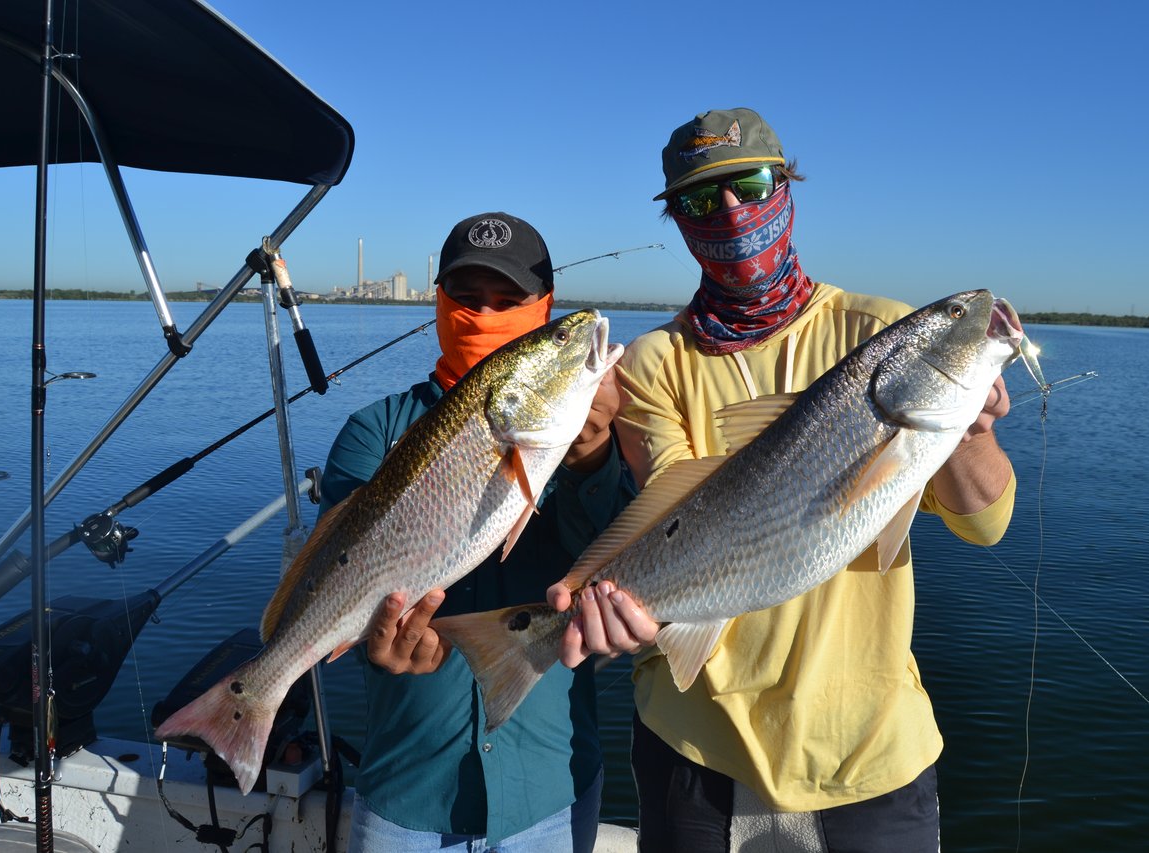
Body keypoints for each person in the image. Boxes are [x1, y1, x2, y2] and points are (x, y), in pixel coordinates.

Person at [551, 108, 1016, 851]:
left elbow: (985, 523)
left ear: (787, 185)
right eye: (703, 200)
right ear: (676, 221)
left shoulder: (879, 333)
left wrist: (969, 429)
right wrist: (603, 594)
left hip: (868, 756)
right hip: (694, 750)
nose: (732, 212)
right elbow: (683, 507)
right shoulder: (651, 364)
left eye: (751, 183)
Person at [319, 212, 632, 852]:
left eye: (508, 301)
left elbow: (623, 565)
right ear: (438, 302)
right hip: (408, 788)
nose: (484, 317)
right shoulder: (372, 431)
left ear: (542, 310)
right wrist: (374, 637)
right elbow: (339, 572)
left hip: (549, 782)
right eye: (465, 298)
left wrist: (591, 455)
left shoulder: (603, 431)